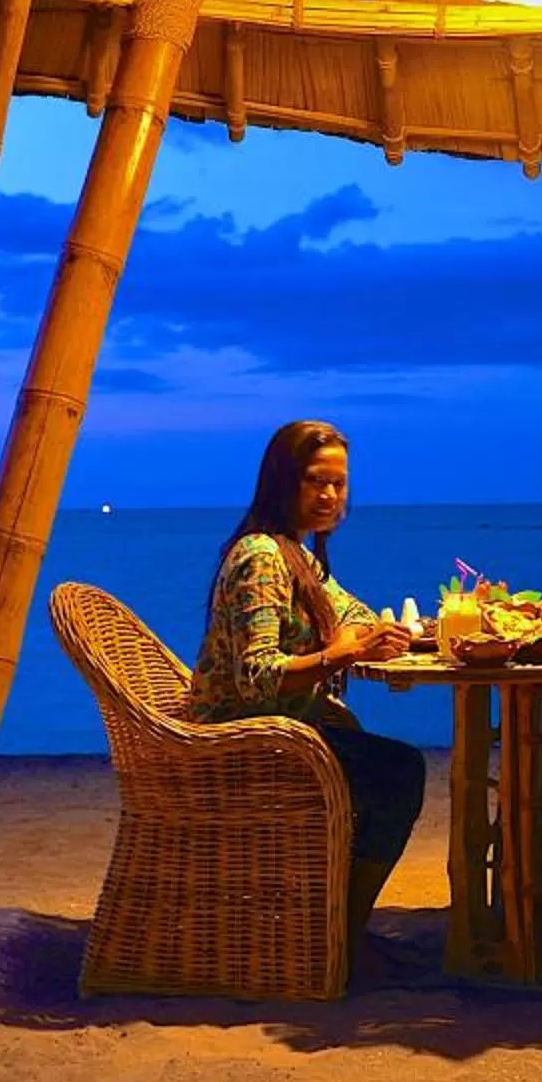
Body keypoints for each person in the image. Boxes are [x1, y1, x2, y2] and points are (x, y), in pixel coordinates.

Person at [185, 419, 424, 977]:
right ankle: (340, 939)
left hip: (280, 731)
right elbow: (257, 677)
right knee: (398, 772)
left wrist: (373, 634)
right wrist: (338, 655)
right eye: (316, 481)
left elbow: (351, 612)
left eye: (339, 484)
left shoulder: (296, 556)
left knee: (374, 761)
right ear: (281, 481)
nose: (330, 496)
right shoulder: (261, 557)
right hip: (240, 743)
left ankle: (332, 929)